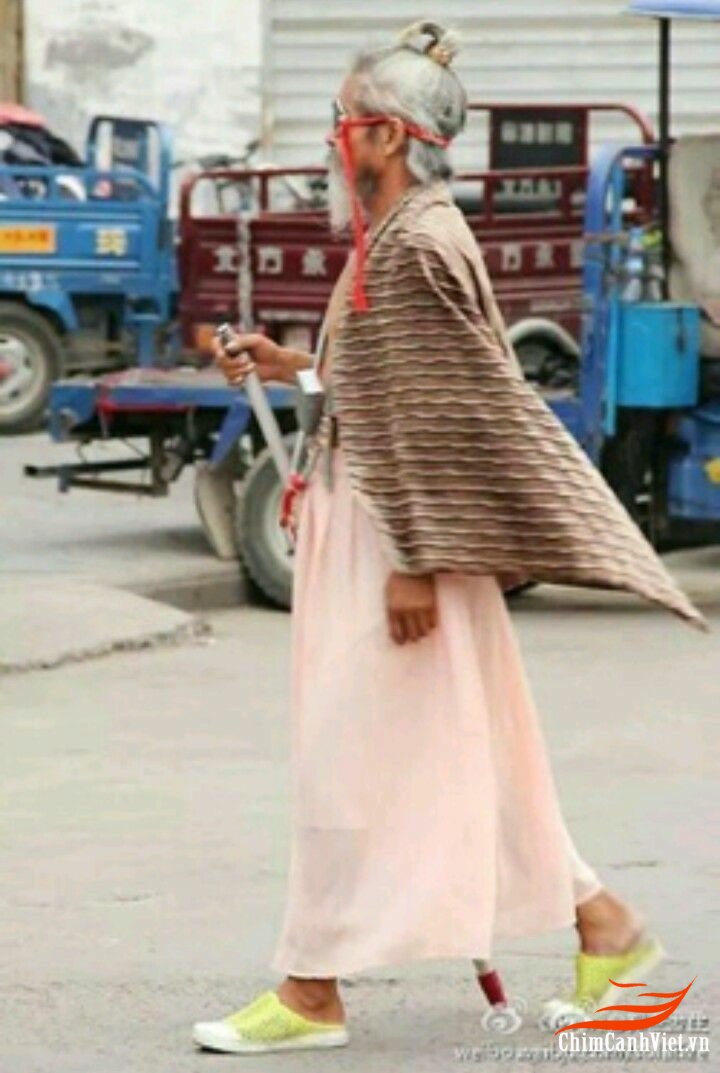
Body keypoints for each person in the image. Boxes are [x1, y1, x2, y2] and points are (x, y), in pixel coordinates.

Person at [192, 21, 707, 1056]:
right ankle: (607, 925)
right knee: (463, 754)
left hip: (397, 538)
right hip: (392, 527)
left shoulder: (416, 245)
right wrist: (291, 364)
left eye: (344, 119)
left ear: (387, 135)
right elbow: (392, 381)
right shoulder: (401, 235)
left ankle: (310, 988)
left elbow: (440, 414)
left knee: (345, 765)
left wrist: (418, 562)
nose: (333, 134)